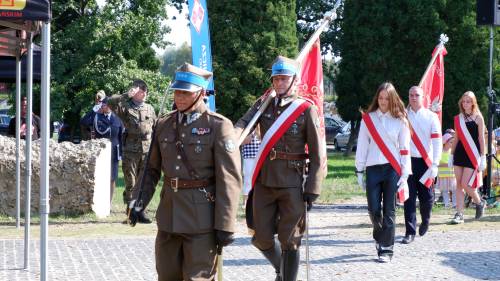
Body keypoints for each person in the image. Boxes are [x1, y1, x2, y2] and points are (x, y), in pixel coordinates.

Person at [127, 63, 241, 280]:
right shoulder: (164, 124)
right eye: (177, 91)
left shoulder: (218, 126)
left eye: (185, 93)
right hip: (168, 218)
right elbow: (151, 170)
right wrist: (138, 201)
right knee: (166, 276)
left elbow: (229, 179)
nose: (179, 97)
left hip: (202, 221)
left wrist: (226, 224)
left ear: (200, 93)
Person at [235, 55, 326, 281]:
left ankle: (287, 278)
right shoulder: (263, 103)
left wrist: (313, 187)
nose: (279, 84)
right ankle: (281, 270)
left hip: (292, 182)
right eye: (276, 79)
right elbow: (243, 124)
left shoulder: (305, 109)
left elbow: (317, 152)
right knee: (261, 237)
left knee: (290, 239)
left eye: (284, 79)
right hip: (264, 179)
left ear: (295, 80)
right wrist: (232, 139)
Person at [355, 82, 411, 263]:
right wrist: (359, 170)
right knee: (373, 209)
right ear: (376, 98)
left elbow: (404, 149)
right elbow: (362, 145)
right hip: (373, 168)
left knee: (390, 210)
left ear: (392, 99)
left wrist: (404, 175)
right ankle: (380, 236)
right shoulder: (368, 119)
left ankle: (386, 249)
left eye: (387, 98)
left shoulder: (401, 120)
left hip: (392, 169)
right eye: (380, 98)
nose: (383, 101)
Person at [107, 79, 157, 223]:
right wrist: (125, 95)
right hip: (131, 151)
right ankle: (130, 214)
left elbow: (155, 126)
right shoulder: (125, 107)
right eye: (141, 90)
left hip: (146, 150)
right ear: (135, 92)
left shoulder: (150, 108)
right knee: (131, 183)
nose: (145, 92)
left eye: (145, 90)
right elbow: (110, 102)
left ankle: (140, 212)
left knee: (143, 183)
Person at [402, 86, 442, 244]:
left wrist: (435, 164)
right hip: (408, 162)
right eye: (411, 95)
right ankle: (409, 231)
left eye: (416, 95)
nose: (413, 97)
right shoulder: (403, 116)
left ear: (423, 97)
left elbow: (437, 142)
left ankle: (426, 220)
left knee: (427, 198)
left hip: (426, 163)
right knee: (408, 197)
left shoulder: (431, 117)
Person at [448, 91, 487, 224]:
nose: (465, 104)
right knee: (458, 185)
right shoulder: (458, 118)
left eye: (468, 101)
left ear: (473, 103)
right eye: (463, 101)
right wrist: (451, 155)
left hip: (473, 154)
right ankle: (459, 214)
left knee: (466, 183)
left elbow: (481, 139)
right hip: (459, 153)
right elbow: (457, 138)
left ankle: (479, 202)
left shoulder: (478, 118)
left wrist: (483, 156)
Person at [80, 97, 124, 203]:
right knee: (100, 177)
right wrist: (93, 110)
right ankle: (99, 201)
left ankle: (108, 202)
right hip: (101, 151)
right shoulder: (96, 117)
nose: (107, 107)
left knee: (112, 178)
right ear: (102, 106)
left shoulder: (118, 118)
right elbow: (83, 122)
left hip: (114, 151)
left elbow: (121, 136)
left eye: (109, 105)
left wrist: (121, 153)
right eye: (105, 105)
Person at [241, 127, 261, 208]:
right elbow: (242, 141)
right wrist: (253, 135)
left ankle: (257, 200)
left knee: (259, 179)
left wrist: (258, 133)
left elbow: (262, 139)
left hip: (259, 156)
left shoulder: (262, 126)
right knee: (248, 178)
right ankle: (245, 202)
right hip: (248, 156)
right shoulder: (246, 128)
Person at [437, 129, 457, 209]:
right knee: (445, 190)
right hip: (443, 175)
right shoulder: (440, 152)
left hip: (452, 174)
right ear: (445, 142)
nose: (452, 144)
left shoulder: (452, 152)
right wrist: (446, 165)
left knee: (454, 189)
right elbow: (438, 163)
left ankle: (455, 203)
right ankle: (447, 203)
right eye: (451, 142)